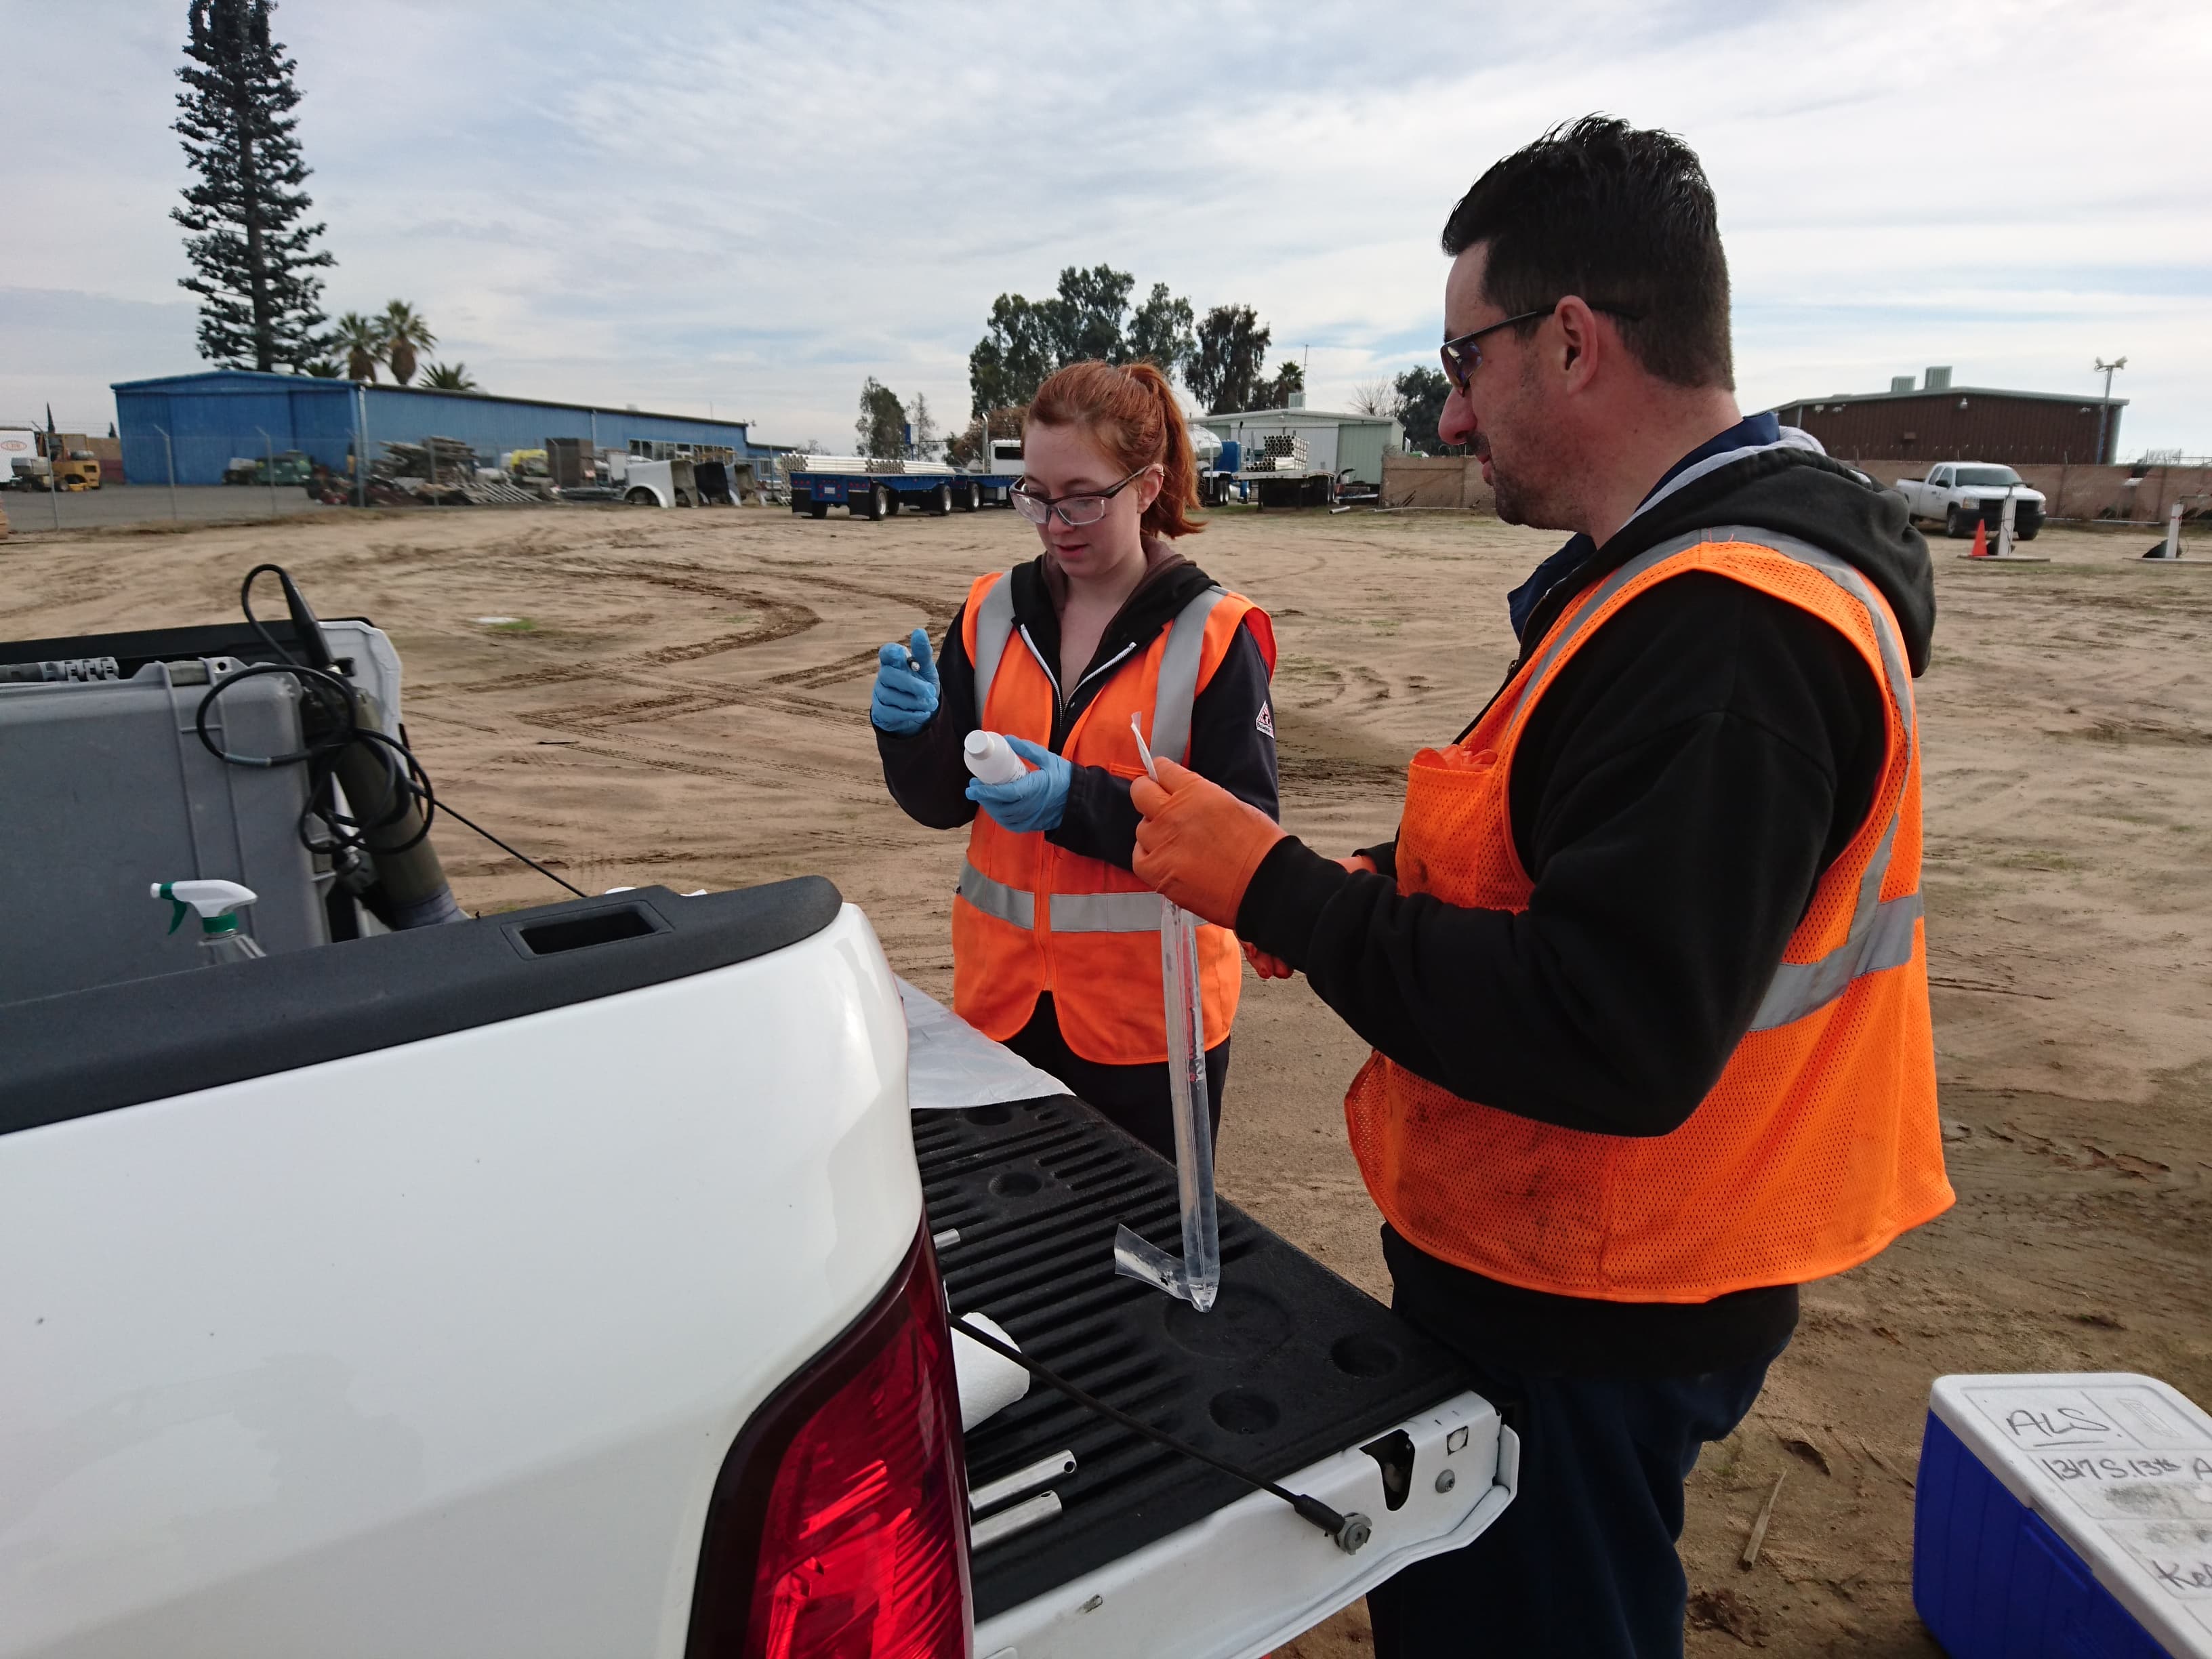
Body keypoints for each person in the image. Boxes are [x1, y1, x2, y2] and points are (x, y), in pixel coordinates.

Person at [1126, 117, 1953, 1656]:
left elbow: (1611, 1027)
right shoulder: (1674, 580)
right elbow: (1578, 876)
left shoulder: (1726, 632)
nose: (1447, 416)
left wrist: (1289, 895)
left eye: (1461, 363)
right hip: (1596, 1259)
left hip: (1602, 1286)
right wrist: (1348, 888)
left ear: (1571, 341)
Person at [871, 359, 1278, 1160]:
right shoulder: (991, 611)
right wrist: (909, 734)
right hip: (1003, 1011)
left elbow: (1248, 843)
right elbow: (943, 802)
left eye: (1084, 497)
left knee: (1143, 1251)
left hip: (1152, 1030)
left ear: (1149, 484)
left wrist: (1077, 801)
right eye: (1037, 496)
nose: (1058, 523)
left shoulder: (1216, 635)